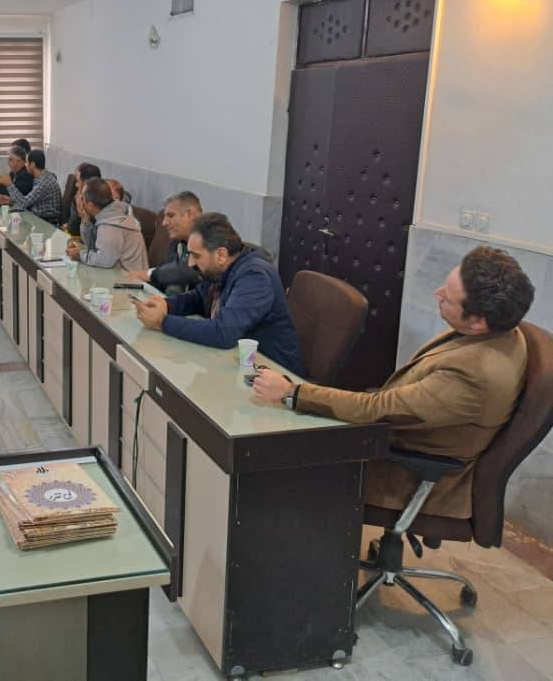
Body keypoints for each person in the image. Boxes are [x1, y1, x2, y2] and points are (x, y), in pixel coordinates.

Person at [253, 246, 534, 520]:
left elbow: (378, 409)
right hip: (402, 436)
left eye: (447, 299)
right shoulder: (498, 329)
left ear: (478, 322)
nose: (437, 294)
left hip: (404, 471)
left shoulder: (474, 373)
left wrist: (293, 391)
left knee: (276, 463)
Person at [133, 212, 304, 375]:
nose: (190, 264)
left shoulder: (255, 277)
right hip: (235, 364)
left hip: (273, 374)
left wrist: (162, 322)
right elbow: (199, 298)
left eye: (196, 256)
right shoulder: (223, 268)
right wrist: (166, 305)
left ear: (221, 255)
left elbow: (223, 333)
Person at [64, 178, 149, 271]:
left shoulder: (111, 223)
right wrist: (85, 221)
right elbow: (94, 247)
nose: (80, 201)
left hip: (130, 277)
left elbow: (104, 260)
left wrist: (79, 254)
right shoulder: (109, 213)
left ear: (90, 205)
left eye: (82, 198)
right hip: (118, 273)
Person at [127, 191, 204, 294]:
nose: (164, 223)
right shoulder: (176, 243)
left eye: (171, 215)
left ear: (189, 214)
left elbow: (185, 271)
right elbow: (163, 278)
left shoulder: (209, 241)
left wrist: (149, 274)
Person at [0, 149, 62, 225]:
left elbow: (24, 203)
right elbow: (29, 200)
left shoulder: (44, 182)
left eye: (27, 162)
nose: (25, 165)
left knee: (11, 223)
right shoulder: (41, 176)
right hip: (37, 217)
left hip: (46, 221)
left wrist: (9, 185)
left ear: (32, 164)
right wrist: (10, 200)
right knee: (10, 221)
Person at [65, 163, 102, 236]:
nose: (76, 185)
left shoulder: (98, 204)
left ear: (86, 183)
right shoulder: (78, 197)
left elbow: (74, 230)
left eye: (78, 181)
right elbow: (72, 228)